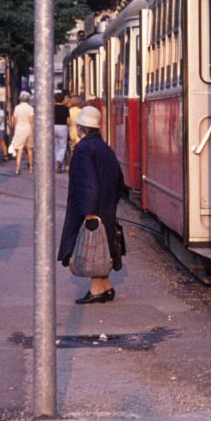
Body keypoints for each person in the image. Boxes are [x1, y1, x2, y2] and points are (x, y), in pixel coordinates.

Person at [57, 106, 125, 305]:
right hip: (105, 206)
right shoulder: (104, 148)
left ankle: (96, 290)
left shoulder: (84, 149)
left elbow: (88, 182)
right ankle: (105, 287)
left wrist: (89, 212)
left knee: (92, 247)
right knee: (103, 246)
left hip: (90, 208)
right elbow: (120, 180)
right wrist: (110, 202)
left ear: (82, 128)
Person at [10, 91, 34, 174]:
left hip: (19, 129)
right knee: (30, 149)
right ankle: (31, 167)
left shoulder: (17, 108)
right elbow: (31, 120)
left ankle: (17, 168)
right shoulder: (30, 108)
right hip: (28, 129)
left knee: (19, 149)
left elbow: (14, 120)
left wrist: (14, 129)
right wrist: (33, 129)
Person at [54, 91, 70, 174]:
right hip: (63, 127)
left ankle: (56, 163)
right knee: (62, 146)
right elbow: (68, 121)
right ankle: (59, 161)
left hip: (53, 127)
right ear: (63, 99)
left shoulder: (52, 108)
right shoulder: (66, 108)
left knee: (56, 146)